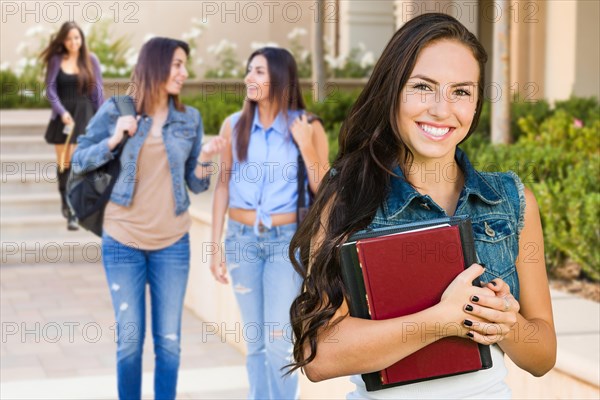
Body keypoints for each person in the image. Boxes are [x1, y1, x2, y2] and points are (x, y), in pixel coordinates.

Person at [288, 13, 556, 399]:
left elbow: (543, 356)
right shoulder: (348, 196)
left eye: (461, 91)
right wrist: (441, 320)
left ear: (477, 102)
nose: (441, 109)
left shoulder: (512, 202)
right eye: (422, 87)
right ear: (392, 91)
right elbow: (318, 356)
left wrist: (507, 324)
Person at [71, 37, 227, 400]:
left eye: (185, 65)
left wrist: (205, 157)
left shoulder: (190, 119)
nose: (184, 72)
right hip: (122, 241)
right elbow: (79, 160)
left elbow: (194, 183)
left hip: (172, 244)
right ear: (155, 65)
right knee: (129, 343)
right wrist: (113, 138)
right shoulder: (117, 110)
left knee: (169, 343)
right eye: (177, 64)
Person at [209, 47, 329, 399]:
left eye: (259, 71)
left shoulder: (307, 126)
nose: (249, 77)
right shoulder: (234, 126)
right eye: (249, 70)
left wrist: (307, 147)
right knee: (256, 343)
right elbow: (222, 187)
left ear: (280, 77)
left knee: (277, 343)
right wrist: (215, 246)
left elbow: (324, 189)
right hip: (242, 240)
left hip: (284, 243)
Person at [40, 21, 104, 230]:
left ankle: (75, 210)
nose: (73, 42)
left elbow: (98, 93)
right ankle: (66, 206)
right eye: (68, 38)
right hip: (64, 118)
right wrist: (62, 112)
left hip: (85, 115)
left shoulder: (91, 60)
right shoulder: (56, 60)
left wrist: (103, 119)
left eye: (77, 37)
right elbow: (50, 90)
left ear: (82, 39)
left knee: (78, 164)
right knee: (63, 164)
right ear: (63, 40)